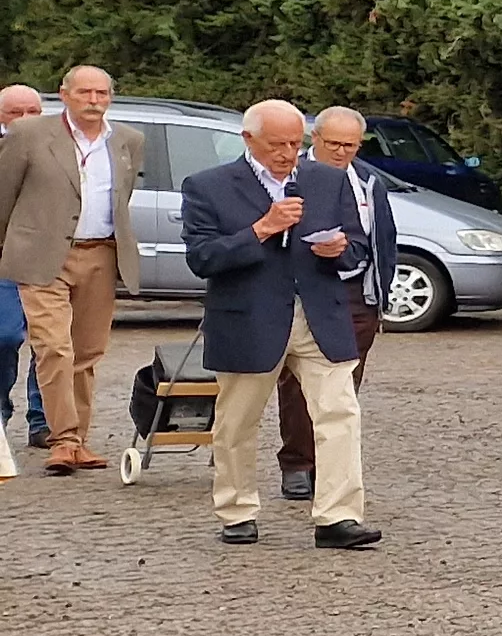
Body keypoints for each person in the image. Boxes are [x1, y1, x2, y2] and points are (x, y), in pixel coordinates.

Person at [180, 100, 381, 548]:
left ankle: (337, 517)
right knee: (237, 422)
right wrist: (260, 230)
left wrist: (340, 251)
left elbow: (359, 246)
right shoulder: (208, 186)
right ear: (248, 139)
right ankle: (237, 510)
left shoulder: (327, 181)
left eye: (295, 143)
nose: (288, 154)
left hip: (320, 318)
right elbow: (202, 258)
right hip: (248, 318)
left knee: (340, 414)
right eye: (277, 145)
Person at [0, 66, 145, 473]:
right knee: (53, 346)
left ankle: (78, 438)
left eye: (101, 93)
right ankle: (60, 438)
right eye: (85, 92)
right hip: (41, 254)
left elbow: (122, 197)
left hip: (100, 253)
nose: (93, 100)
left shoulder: (128, 142)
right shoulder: (30, 135)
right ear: (64, 95)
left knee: (86, 352)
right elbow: (3, 192)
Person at [277, 107, 399, 503]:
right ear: (316, 139)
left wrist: (379, 291)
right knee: (298, 384)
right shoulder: (291, 176)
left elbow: (383, 238)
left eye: (350, 145)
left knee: (344, 388)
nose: (341, 152)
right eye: (334, 144)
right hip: (306, 293)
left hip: (356, 293)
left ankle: (331, 470)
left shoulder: (368, 181)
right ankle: (297, 463)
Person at [0, 83, 44, 451]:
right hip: (3, 260)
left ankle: (43, 421)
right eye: (17, 112)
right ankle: (0, 412)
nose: (26, 120)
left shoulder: (56, 146)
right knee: (6, 336)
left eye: (33, 112)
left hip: (47, 256)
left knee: (52, 343)